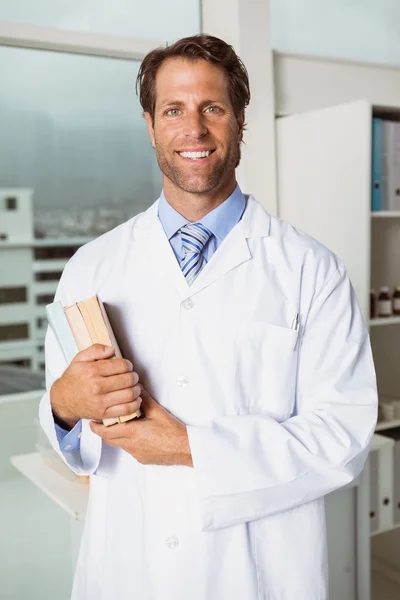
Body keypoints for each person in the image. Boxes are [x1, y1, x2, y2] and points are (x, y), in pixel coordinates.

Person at [40, 34, 378, 600]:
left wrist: (188, 446)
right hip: (129, 571)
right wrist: (63, 406)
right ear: (150, 124)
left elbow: (342, 438)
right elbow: (69, 428)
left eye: (212, 108)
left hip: (258, 577)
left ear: (240, 121)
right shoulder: (91, 266)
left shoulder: (312, 270)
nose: (192, 129)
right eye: (173, 109)